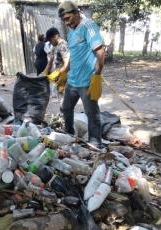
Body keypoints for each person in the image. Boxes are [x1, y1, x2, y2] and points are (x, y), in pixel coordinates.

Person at [58, 1, 105, 148]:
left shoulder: (88, 26)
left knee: (92, 114)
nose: (66, 23)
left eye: (68, 18)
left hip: (86, 81)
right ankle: (69, 133)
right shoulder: (71, 31)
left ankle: (95, 142)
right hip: (73, 81)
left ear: (76, 13)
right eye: (64, 20)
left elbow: (100, 52)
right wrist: (64, 71)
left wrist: (97, 74)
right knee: (66, 108)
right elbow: (73, 55)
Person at [43, 27, 70, 95]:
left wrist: (55, 75)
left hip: (64, 77)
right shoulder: (54, 46)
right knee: (61, 99)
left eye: (50, 40)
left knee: (65, 100)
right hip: (58, 77)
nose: (50, 43)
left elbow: (67, 64)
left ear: (56, 36)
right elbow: (50, 62)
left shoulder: (63, 45)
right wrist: (44, 74)